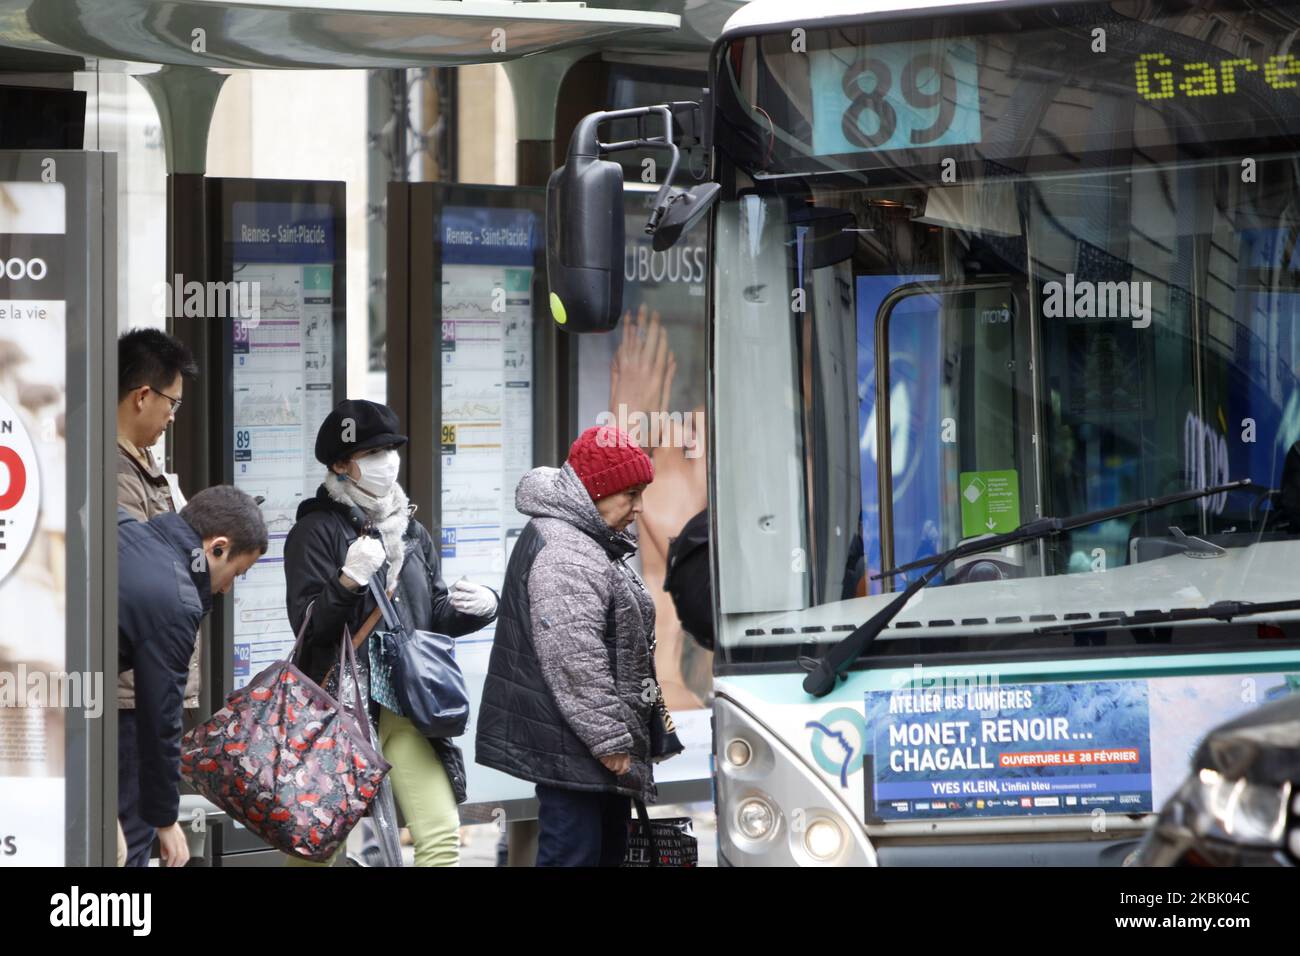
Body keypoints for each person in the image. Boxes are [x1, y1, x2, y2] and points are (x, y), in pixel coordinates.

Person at [283, 399, 498, 867]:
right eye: (374, 454)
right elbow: (309, 627)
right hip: (340, 708)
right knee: (317, 847)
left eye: (391, 451)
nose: (388, 463)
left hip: (405, 704)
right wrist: (347, 581)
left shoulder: (412, 531)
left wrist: (481, 608)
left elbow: (433, 615)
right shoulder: (315, 531)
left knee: (440, 836)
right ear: (342, 465)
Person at [477, 424, 658, 867]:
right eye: (629, 494)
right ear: (596, 491)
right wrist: (611, 739)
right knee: (575, 855)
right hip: (573, 742)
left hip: (576, 737)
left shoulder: (582, 537)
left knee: (596, 853)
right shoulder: (567, 551)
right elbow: (576, 657)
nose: (638, 508)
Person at [117, 485, 268, 867]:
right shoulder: (176, 601)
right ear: (217, 547)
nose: (228, 586)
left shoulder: (125, 528)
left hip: (35, 685)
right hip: (53, 703)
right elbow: (161, 717)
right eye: (236, 572)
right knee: (126, 850)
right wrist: (165, 819)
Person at [115, 328, 201, 866]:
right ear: (142, 395)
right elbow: (156, 567)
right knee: (134, 838)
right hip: (127, 694)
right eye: (171, 403)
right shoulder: (109, 472)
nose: (173, 416)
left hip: (148, 688)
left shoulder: (145, 467)